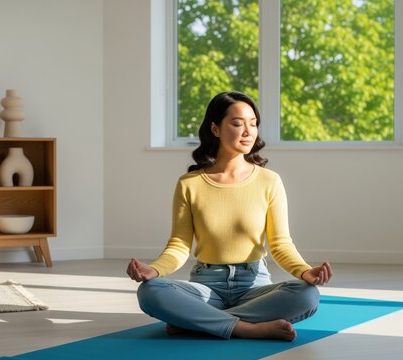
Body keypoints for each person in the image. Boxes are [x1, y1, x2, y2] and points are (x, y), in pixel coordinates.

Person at [126, 91, 333, 341]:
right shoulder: (189, 184)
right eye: (237, 124)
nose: (248, 131)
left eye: (253, 124)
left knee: (307, 295)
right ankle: (246, 328)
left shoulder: (269, 181)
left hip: (254, 286)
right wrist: (154, 270)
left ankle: (197, 321)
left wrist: (304, 272)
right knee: (150, 292)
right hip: (206, 286)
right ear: (215, 129)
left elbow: (280, 244)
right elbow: (179, 245)